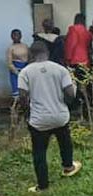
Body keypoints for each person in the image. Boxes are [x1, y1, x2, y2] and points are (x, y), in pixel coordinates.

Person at [20, 41, 83, 193]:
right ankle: (68, 167)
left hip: (39, 119)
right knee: (65, 141)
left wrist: (28, 114)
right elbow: (70, 94)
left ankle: (42, 186)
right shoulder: (60, 69)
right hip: (60, 116)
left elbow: (23, 97)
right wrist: (64, 104)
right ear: (47, 53)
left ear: (31, 54)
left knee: (39, 152)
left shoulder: (26, 72)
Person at [64, 13, 92, 110]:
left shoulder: (73, 29)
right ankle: (85, 106)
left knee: (74, 84)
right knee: (84, 85)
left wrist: (67, 58)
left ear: (75, 20)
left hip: (75, 60)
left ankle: (76, 106)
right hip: (85, 61)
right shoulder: (88, 33)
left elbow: (71, 44)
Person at [7, 29, 30, 98]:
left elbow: (29, 58)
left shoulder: (25, 46)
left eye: (18, 35)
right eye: (14, 35)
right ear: (11, 36)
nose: (16, 37)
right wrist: (17, 72)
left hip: (26, 70)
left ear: (21, 36)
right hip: (16, 72)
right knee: (18, 92)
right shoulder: (11, 48)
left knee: (27, 90)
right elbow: (9, 63)